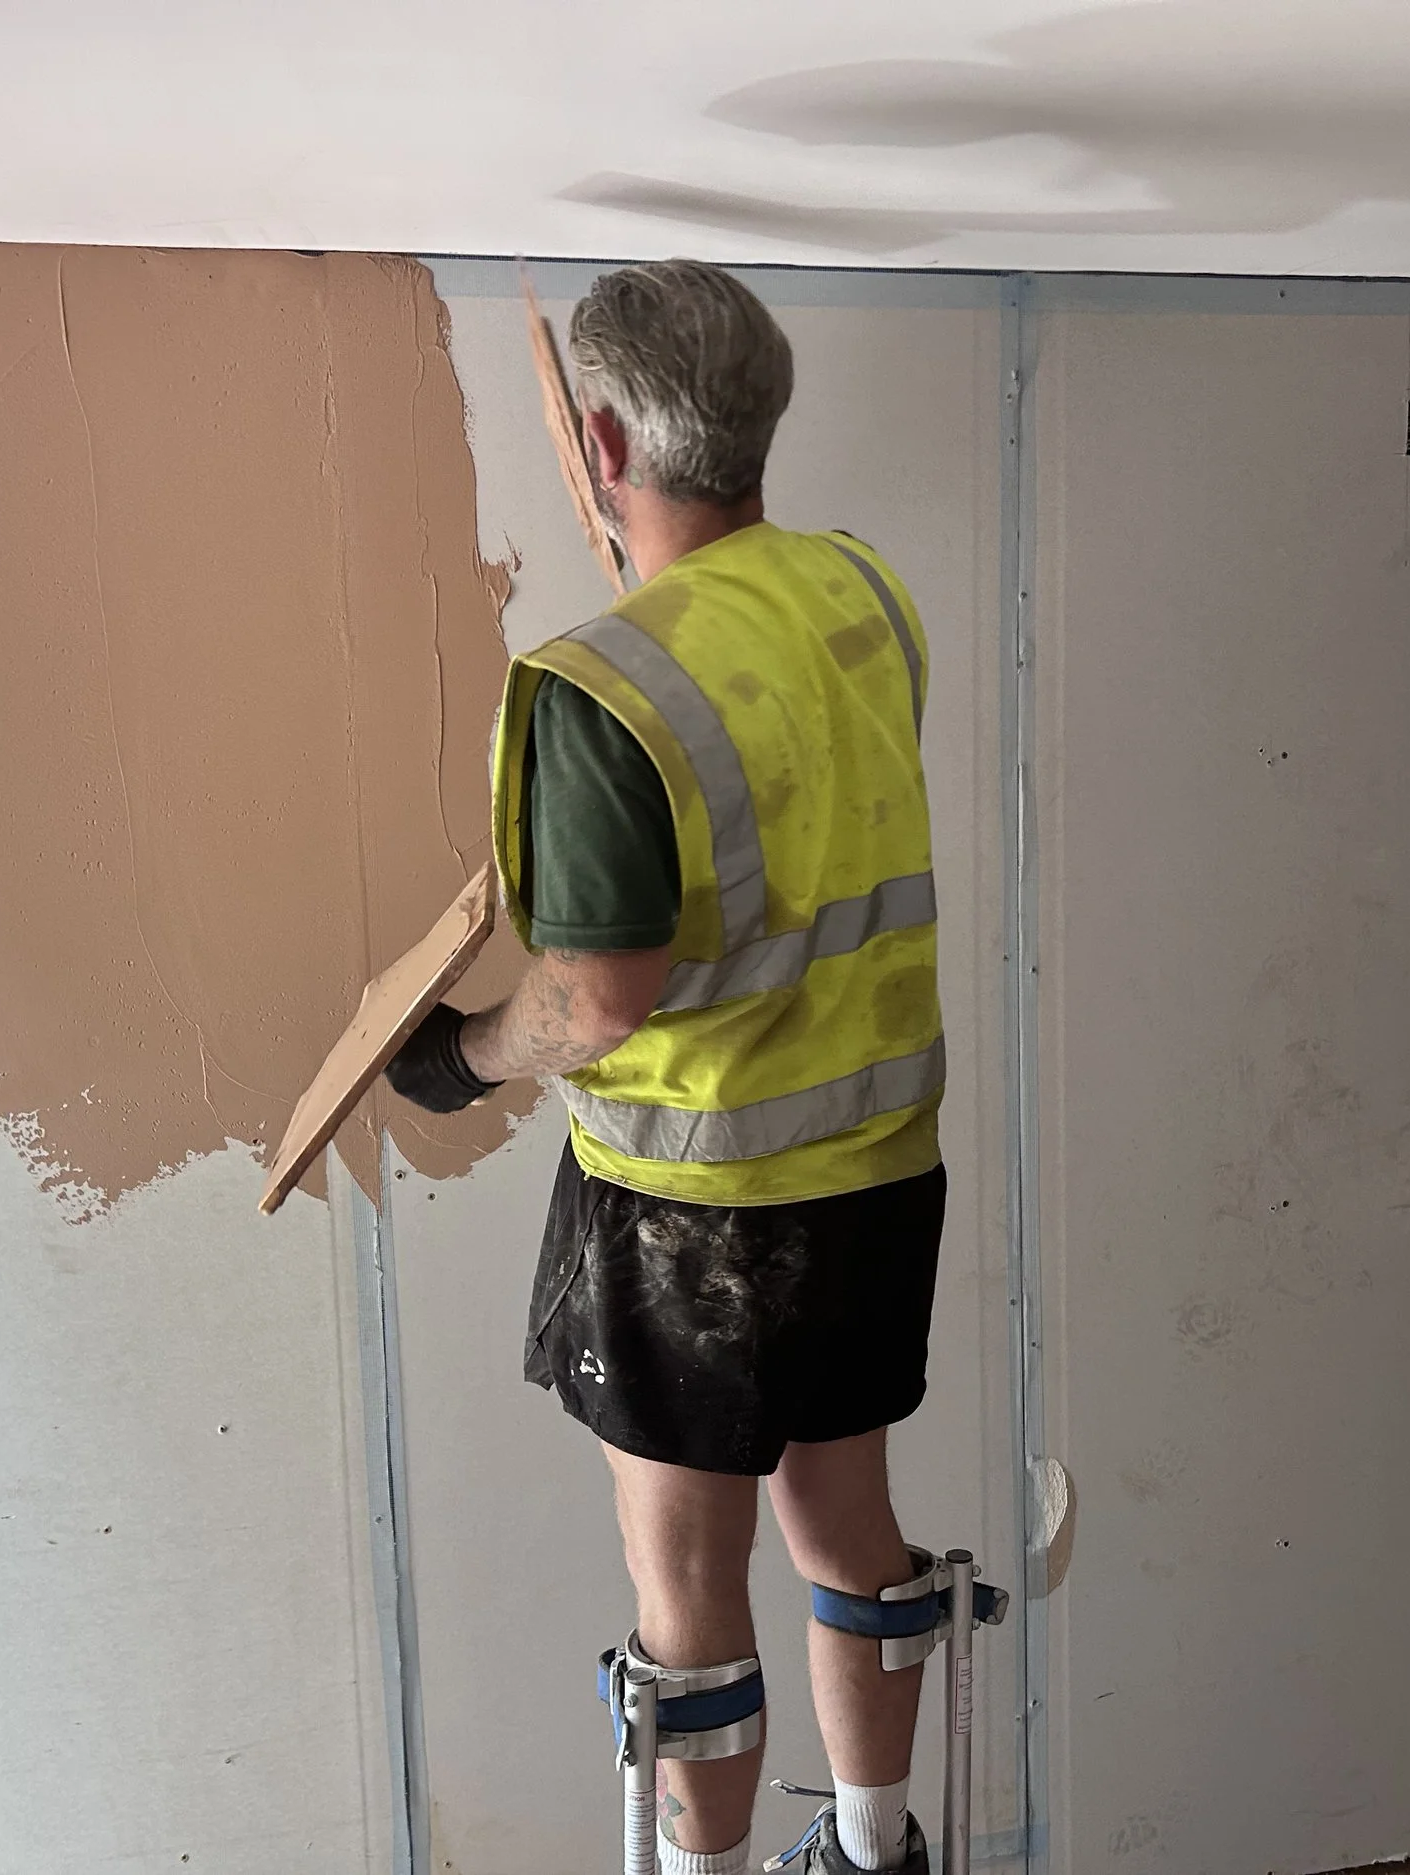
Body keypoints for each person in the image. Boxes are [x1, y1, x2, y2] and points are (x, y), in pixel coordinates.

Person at [386, 258, 948, 1875]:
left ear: (605, 443)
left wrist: (467, 1058)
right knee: (848, 1520)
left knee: (688, 1585)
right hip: (877, 1169)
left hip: (694, 1206)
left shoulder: (598, 689)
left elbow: (599, 997)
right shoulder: (859, 594)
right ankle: (874, 1847)